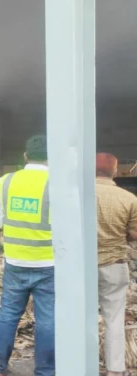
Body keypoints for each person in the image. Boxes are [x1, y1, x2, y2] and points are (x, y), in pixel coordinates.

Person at [0, 135, 54, 376]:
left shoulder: (4, 183)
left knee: (9, 314)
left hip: (15, 263)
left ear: (25, 156)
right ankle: (45, 371)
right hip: (49, 264)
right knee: (47, 320)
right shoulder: (59, 183)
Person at [95, 152, 137, 376]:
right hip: (114, 264)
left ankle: (80, 365)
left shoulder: (77, 196)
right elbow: (135, 234)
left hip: (80, 268)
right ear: (113, 170)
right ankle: (115, 370)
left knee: (82, 318)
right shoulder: (128, 198)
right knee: (114, 319)